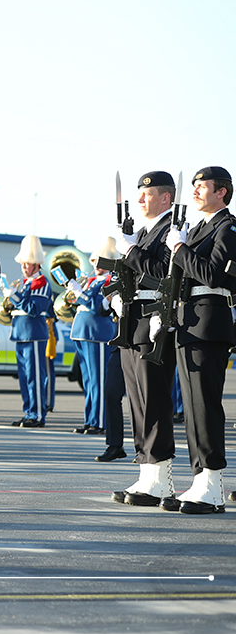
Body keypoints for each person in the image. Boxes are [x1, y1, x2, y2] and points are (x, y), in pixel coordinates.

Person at [164, 166, 236, 513]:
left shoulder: (228, 227)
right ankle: (199, 480)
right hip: (187, 322)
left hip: (210, 323)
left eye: (201, 185)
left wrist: (179, 248)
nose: (194, 190)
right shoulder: (199, 229)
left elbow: (213, 274)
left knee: (205, 405)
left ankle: (212, 484)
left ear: (221, 191)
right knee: (192, 407)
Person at [110, 171, 178, 508]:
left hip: (155, 321)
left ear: (165, 198)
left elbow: (164, 270)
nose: (140, 200)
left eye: (147, 194)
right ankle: (146, 472)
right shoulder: (145, 231)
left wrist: (133, 251)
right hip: (132, 320)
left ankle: (161, 476)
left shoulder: (172, 230)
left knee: (154, 399)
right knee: (136, 401)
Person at [66, 239, 119, 440]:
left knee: (98, 380)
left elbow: (99, 306)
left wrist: (80, 293)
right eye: (95, 260)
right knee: (88, 381)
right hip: (81, 331)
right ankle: (90, 419)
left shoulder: (110, 281)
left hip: (97, 334)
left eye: (101, 261)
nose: (97, 265)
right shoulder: (90, 280)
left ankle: (99, 421)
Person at [5, 235, 55, 428]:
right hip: (20, 333)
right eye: (23, 264)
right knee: (25, 377)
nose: (24, 267)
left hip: (33, 333)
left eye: (28, 264)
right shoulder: (24, 283)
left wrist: (15, 297)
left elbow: (34, 309)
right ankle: (29, 412)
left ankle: (38, 414)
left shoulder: (42, 283)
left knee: (35, 376)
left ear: (36, 265)